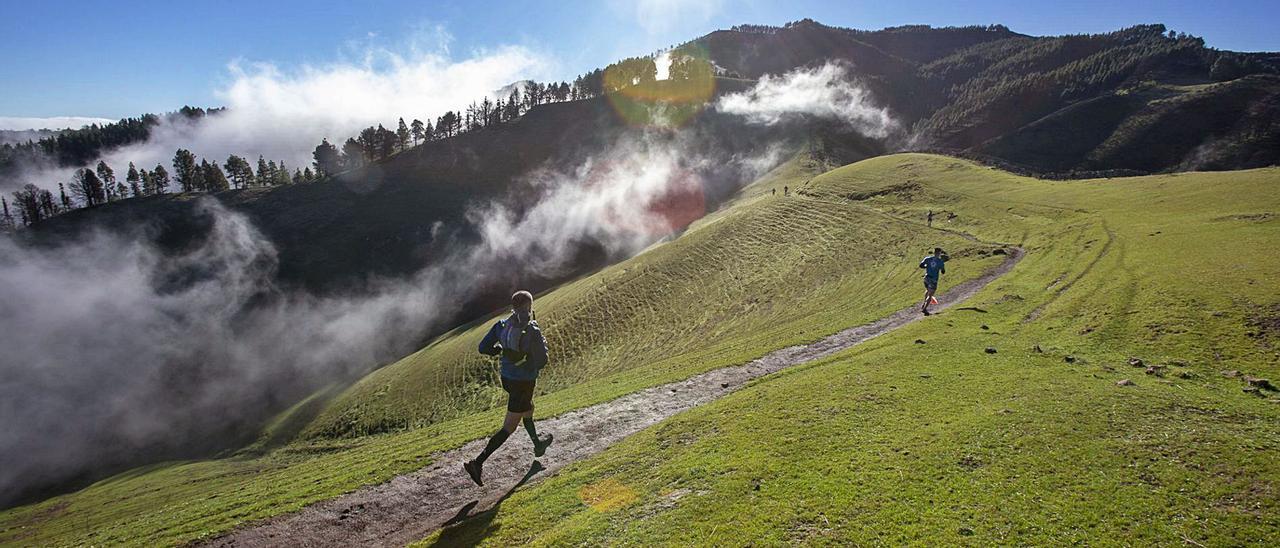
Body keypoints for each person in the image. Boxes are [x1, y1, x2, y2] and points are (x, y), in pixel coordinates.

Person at [464, 290, 553, 486]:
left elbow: (483, 348)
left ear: (513, 307)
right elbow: (542, 361)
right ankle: (477, 463)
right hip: (525, 382)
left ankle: (538, 445)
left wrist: (500, 350)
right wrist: (531, 359)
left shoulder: (501, 325)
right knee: (509, 427)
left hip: (507, 378)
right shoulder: (532, 330)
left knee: (529, 408)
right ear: (529, 306)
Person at [919, 247, 949, 315]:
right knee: (931, 294)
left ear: (934, 252)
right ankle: (925, 309)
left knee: (927, 290)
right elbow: (943, 271)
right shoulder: (940, 261)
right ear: (939, 253)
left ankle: (924, 303)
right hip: (933, 279)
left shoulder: (928, 259)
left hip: (926, 278)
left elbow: (921, 265)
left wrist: (927, 267)